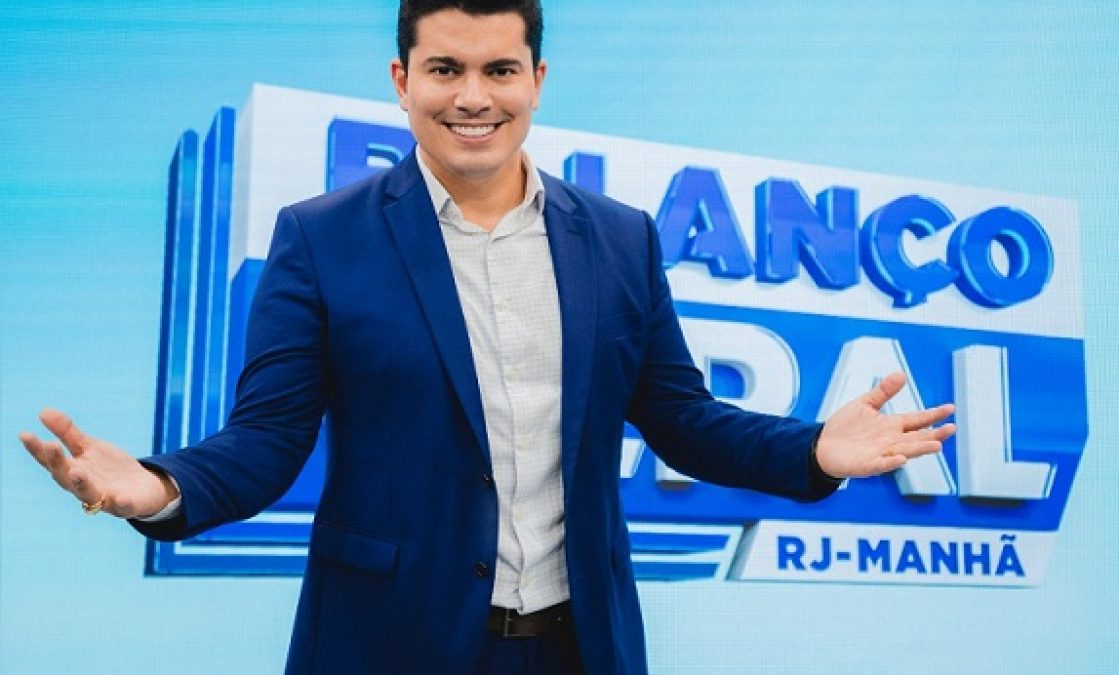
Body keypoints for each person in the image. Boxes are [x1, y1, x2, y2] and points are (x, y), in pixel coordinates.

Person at [18, 1, 956, 673]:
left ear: (537, 81)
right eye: (446, 69)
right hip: (388, 642)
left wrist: (816, 450)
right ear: (402, 81)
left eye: (500, 70)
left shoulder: (620, 239)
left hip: (579, 645)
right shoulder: (320, 238)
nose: (474, 97)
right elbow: (266, 440)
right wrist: (159, 487)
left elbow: (681, 417)